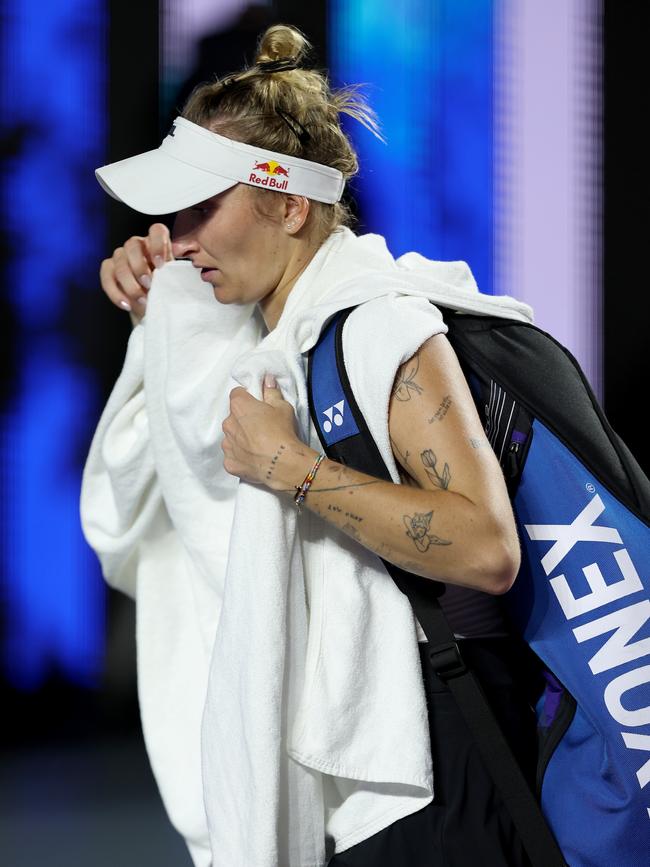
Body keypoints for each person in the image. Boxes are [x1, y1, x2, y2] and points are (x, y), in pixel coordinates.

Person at [85, 23, 540, 867]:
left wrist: (292, 470)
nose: (179, 238)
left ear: (290, 205)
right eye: (170, 215)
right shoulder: (261, 333)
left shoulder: (381, 325)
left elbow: (485, 546)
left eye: (201, 209)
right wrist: (163, 310)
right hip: (348, 782)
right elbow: (147, 489)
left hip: (434, 771)